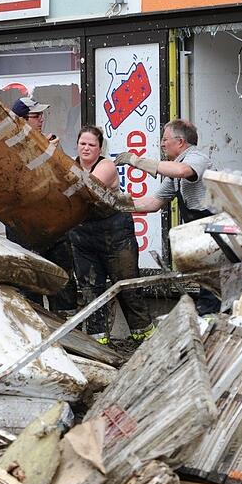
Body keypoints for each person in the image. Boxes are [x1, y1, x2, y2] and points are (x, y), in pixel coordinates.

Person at [116, 119, 219, 315]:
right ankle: (207, 318)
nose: (162, 144)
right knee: (206, 279)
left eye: (165, 139)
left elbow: (183, 171)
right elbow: (152, 204)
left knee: (214, 281)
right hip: (199, 230)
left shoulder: (197, 157)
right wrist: (116, 204)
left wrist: (136, 161)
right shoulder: (174, 172)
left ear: (180, 142)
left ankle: (213, 321)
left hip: (215, 229)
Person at [68, 126, 154, 343]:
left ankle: (144, 335)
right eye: (83, 144)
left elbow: (85, 190)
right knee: (90, 288)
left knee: (126, 286)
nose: (86, 148)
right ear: (77, 145)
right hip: (82, 234)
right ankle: (99, 340)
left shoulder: (106, 166)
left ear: (99, 149)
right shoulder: (70, 163)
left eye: (91, 145)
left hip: (115, 233)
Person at [5, 97, 76, 314]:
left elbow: (64, 176)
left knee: (62, 281)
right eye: (36, 116)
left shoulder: (50, 141)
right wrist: (43, 154)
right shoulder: (7, 147)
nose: (41, 120)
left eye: (41, 115)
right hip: (24, 226)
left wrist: (52, 153)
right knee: (30, 284)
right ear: (22, 120)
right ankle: (36, 330)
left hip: (54, 222)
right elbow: (18, 184)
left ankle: (69, 332)